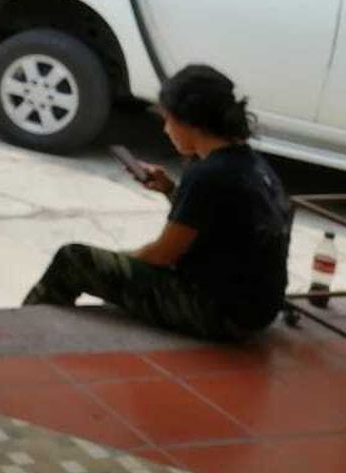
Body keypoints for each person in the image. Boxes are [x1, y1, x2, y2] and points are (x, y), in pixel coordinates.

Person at [23, 65, 291, 341]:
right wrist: (169, 189)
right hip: (256, 309)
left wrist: (120, 262)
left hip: (220, 314)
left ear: (189, 122)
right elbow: (218, 225)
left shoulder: (208, 175)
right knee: (115, 262)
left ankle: (21, 335)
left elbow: (162, 255)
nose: (165, 129)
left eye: (168, 120)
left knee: (75, 259)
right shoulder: (251, 163)